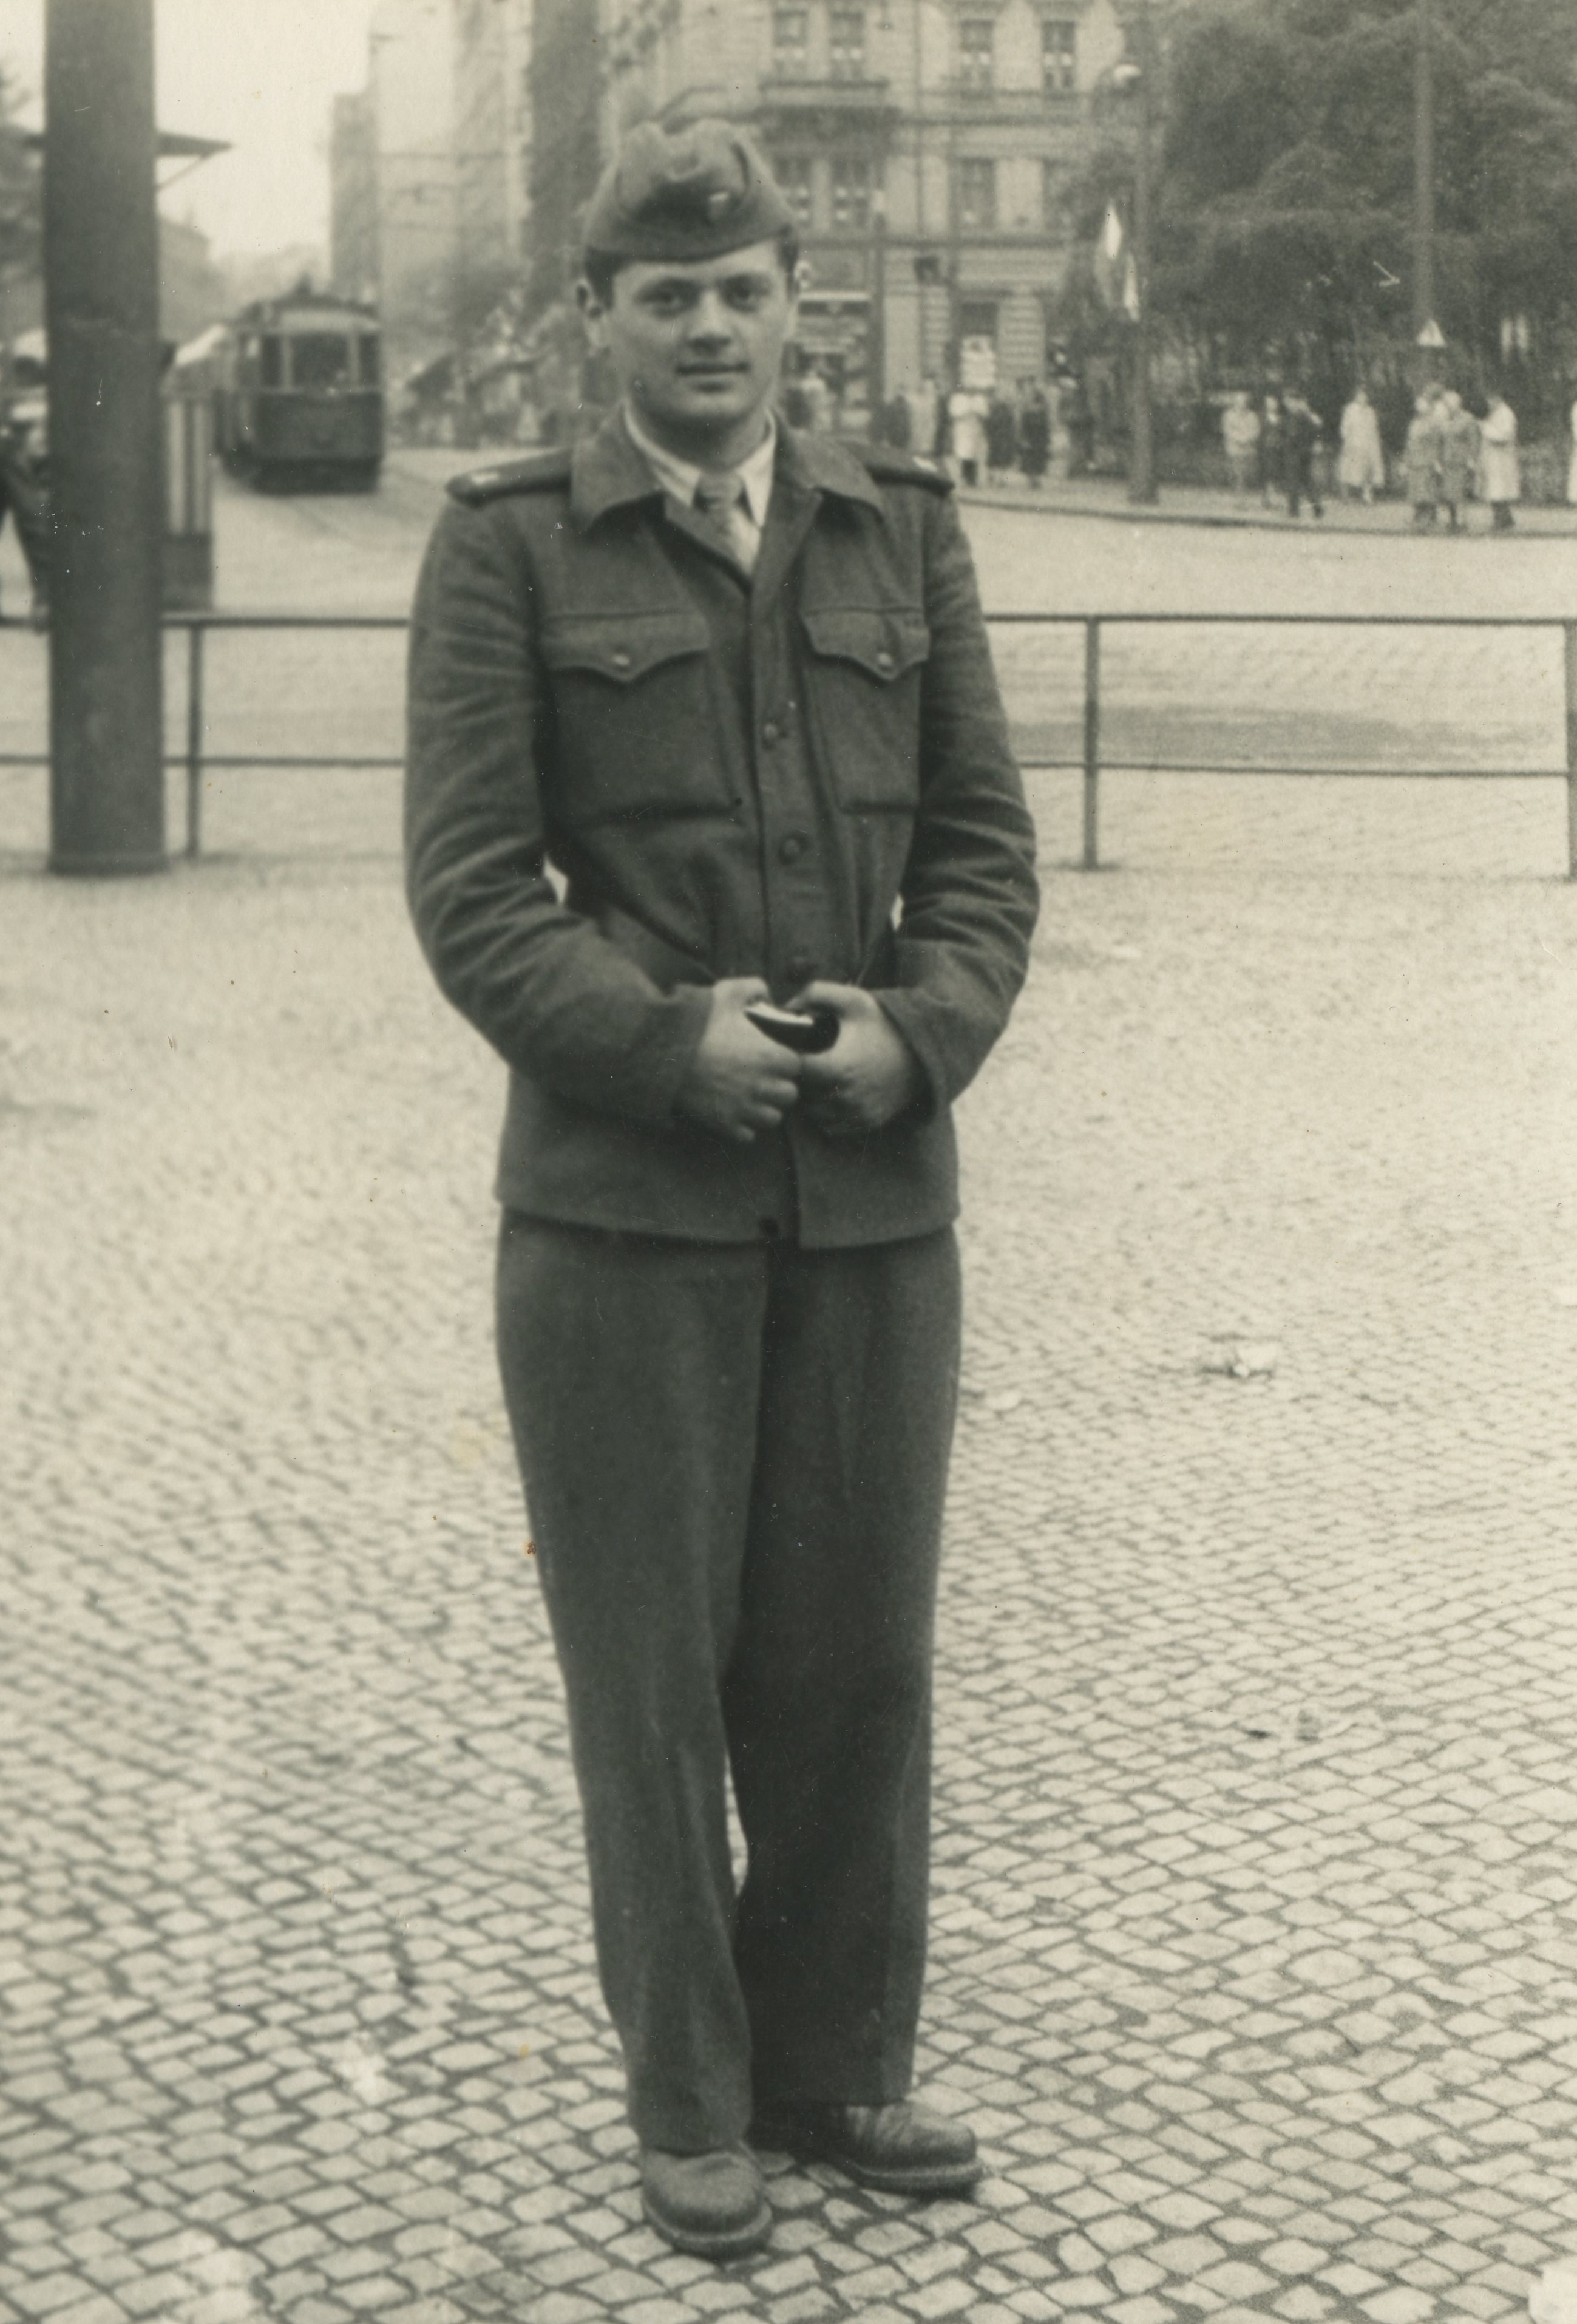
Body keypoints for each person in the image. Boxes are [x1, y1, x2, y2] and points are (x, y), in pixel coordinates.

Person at [404, 118, 1038, 2263]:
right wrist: (659, 1043)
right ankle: (689, 2100)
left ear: (793, 308)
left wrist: (915, 1033)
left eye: (741, 290)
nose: (708, 326)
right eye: (664, 296)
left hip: (869, 1202)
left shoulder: (899, 528)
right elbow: (471, 891)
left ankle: (830, 2061)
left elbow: (981, 846)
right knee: (652, 1682)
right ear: (596, 321)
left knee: (857, 1662)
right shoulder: (506, 546)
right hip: (617, 1216)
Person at [1437, 390, 1479, 533]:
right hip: (1447, 461)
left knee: (1460, 492)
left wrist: (1472, 459)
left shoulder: (1468, 419)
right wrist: (1439, 459)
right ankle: (1452, 520)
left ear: (1457, 404)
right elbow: (1441, 441)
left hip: (1461, 461)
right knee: (1449, 492)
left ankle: (1462, 521)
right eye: (1446, 404)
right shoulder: (1445, 421)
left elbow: (1473, 441)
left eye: (1449, 404)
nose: (1447, 407)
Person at [1479, 389, 1520, 532]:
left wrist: (1485, 429)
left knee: (1500, 490)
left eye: (1490, 400)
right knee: (1494, 489)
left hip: (1502, 459)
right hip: (1493, 458)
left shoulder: (1506, 414)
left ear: (1497, 399)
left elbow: (1505, 436)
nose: (1489, 403)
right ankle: (1504, 518)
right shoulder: (1495, 414)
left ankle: (1502, 520)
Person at [1337, 384, 1384, 504]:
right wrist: (1347, 441)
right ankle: (1345, 495)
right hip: (1353, 443)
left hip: (1368, 444)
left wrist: (1375, 443)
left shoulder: (1370, 411)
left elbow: (1374, 429)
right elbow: (1345, 427)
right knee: (1348, 469)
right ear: (1356, 396)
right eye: (1361, 396)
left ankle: (1367, 495)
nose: (1363, 398)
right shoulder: (1350, 410)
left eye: (1365, 396)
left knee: (1368, 469)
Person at [1281, 390, 1324, 518]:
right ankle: (1317, 507)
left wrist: (1287, 443)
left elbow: (1292, 435)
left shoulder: (1296, 416)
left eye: (1289, 400)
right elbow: (1316, 430)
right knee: (1307, 481)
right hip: (1305, 452)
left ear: (1294, 401)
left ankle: (1294, 511)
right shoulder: (1307, 415)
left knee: (1293, 481)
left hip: (1295, 452)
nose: (1287, 403)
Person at [1404, 392, 1443, 529]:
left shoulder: (1434, 423)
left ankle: (1429, 516)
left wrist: (1436, 460)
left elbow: (1437, 443)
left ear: (1429, 406)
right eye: (1418, 404)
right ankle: (1418, 515)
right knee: (1416, 489)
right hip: (1414, 461)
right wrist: (1406, 460)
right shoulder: (1414, 423)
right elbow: (1409, 442)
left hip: (1427, 460)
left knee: (1427, 489)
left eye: (1422, 404)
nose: (1419, 406)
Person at [946, 381, 988, 484]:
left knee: (974, 455)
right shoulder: (958, 399)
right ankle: (964, 477)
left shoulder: (979, 399)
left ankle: (973, 478)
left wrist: (977, 412)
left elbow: (985, 414)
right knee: (963, 454)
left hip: (975, 430)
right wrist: (966, 412)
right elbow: (953, 414)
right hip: (962, 430)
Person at [1221, 389, 1260, 496]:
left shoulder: (1252, 416)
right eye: (1239, 401)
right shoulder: (1228, 415)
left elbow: (1256, 430)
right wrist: (1239, 439)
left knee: (1247, 469)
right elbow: (1227, 430)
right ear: (1235, 402)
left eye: (1244, 401)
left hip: (1248, 447)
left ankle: (1244, 489)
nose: (1241, 404)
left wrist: (1247, 439)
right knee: (1235, 469)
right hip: (1234, 447)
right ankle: (1236, 489)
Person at [1017, 378, 1050, 488]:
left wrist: (1047, 438)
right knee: (1029, 458)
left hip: (1040, 437)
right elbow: (1023, 425)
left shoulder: (1041, 414)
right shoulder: (1027, 413)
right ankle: (1032, 479)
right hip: (1030, 436)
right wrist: (1023, 438)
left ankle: (1037, 479)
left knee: (1039, 457)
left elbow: (1046, 426)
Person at [1258, 391, 1284, 508]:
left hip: (1278, 450)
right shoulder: (1262, 417)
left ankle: (1276, 499)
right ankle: (1267, 499)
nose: (1272, 405)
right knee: (1268, 474)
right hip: (1266, 450)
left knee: (1277, 475)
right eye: (1269, 403)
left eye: (1274, 403)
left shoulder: (1281, 417)